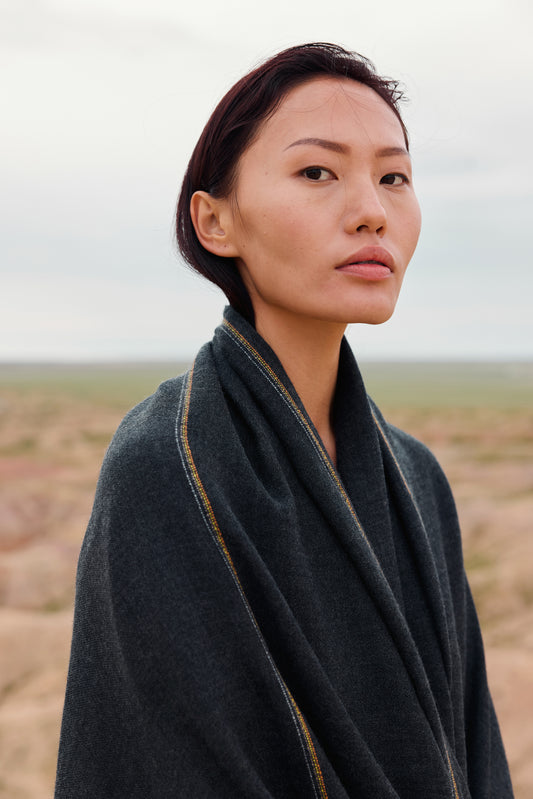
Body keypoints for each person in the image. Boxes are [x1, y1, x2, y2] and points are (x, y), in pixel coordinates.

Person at [55, 43, 514, 798]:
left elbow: (472, 755)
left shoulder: (416, 476)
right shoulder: (167, 463)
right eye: (316, 172)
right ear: (214, 221)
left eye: (393, 177)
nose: (371, 210)